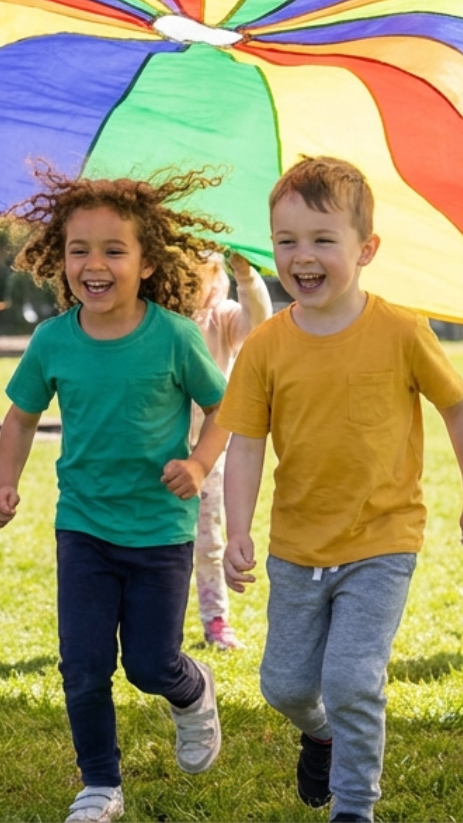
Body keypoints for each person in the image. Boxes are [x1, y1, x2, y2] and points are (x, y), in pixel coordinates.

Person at [221, 156, 463, 823]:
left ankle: (354, 806)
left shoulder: (401, 332)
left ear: (365, 249)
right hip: (297, 546)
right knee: (284, 686)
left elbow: (458, 407)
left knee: (350, 678)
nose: (302, 257)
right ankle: (319, 732)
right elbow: (246, 443)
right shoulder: (264, 347)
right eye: (286, 242)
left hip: (382, 540)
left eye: (322, 241)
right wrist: (236, 530)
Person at [0, 170, 233, 823]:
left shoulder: (176, 338)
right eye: (79, 250)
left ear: (147, 262)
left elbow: (224, 406)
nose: (94, 264)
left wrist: (201, 463)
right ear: (59, 259)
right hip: (85, 527)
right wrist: (6, 483)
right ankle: (101, 784)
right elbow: (20, 417)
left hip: (160, 529)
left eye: (114, 250)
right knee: (85, 664)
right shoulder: (53, 340)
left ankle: (192, 690)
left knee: (151, 665)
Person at [188, 252, 272, 650]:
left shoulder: (220, 318)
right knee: (157, 544)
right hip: (153, 449)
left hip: (210, 451)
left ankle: (216, 620)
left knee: (208, 543)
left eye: (206, 272)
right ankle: (154, 621)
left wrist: (247, 276)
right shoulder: (156, 317)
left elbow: (259, 326)